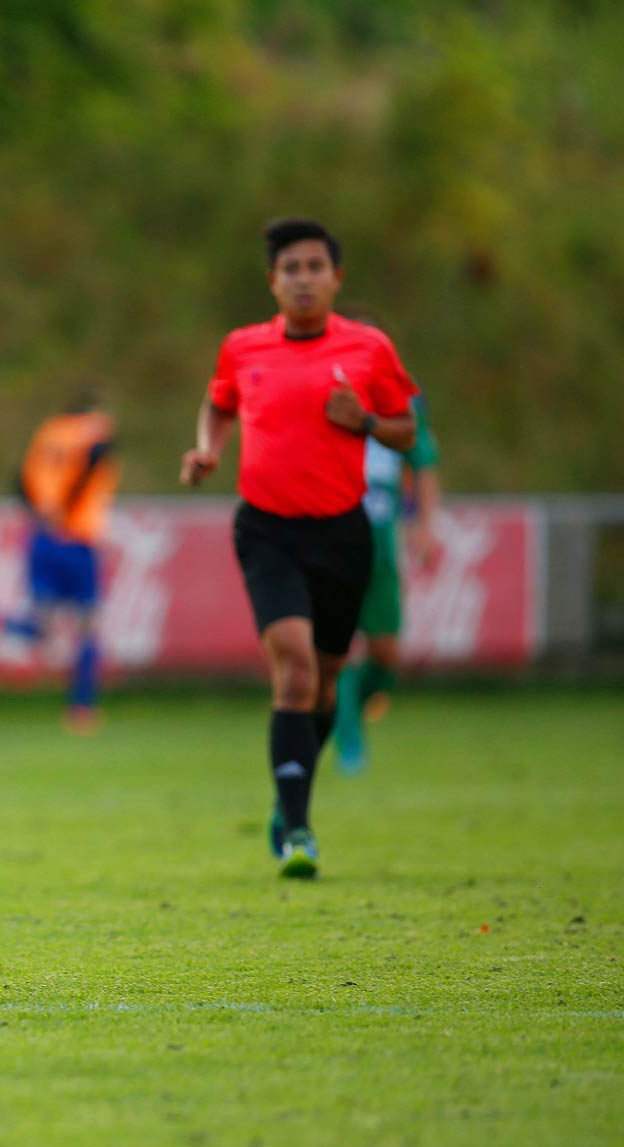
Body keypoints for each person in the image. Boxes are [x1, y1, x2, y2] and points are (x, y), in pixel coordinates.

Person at [181, 218, 417, 879]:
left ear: (336, 278)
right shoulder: (244, 347)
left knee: (325, 685)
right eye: (291, 268)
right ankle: (299, 834)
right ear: (273, 281)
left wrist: (366, 422)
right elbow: (219, 401)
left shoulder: (369, 349)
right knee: (294, 668)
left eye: (316, 266)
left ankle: (289, 806)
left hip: (343, 534)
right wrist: (208, 449)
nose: (304, 278)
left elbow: (406, 429)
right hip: (266, 530)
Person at [334, 390, 442, 773]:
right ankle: (349, 744)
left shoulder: (404, 402)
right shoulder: (323, 392)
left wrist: (425, 526)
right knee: (338, 650)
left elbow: (423, 462)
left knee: (386, 657)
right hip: (332, 543)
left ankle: (343, 712)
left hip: (380, 551)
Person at [5, 392, 117, 733]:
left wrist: (40, 515)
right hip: (78, 538)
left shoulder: (48, 432)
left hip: (42, 537)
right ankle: (82, 707)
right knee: (88, 624)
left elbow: (19, 479)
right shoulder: (96, 429)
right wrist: (65, 512)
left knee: (44, 621)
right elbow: (94, 461)